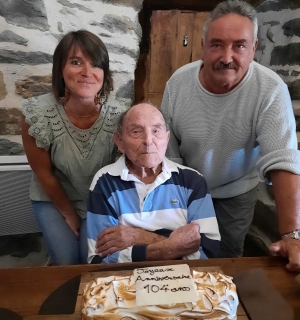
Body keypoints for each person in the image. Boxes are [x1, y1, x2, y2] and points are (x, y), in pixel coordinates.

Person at [160, 0, 300, 270]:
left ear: (254, 49)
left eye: (239, 45)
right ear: (202, 47)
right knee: (179, 255)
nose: (226, 57)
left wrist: (292, 235)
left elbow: (282, 158)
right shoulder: (177, 83)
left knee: (227, 260)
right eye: (216, 44)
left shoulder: (271, 89)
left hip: (236, 192)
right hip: (185, 187)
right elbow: (168, 148)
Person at [22, 30, 124, 265]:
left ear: (104, 73)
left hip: (97, 199)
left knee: (92, 260)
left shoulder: (120, 116)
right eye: (76, 62)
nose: (87, 73)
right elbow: (44, 174)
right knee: (67, 261)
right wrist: (69, 214)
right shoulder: (37, 114)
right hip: (52, 197)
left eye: (96, 65)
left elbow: (121, 174)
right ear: (61, 69)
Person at [86, 103, 220, 264]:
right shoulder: (105, 182)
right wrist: (177, 246)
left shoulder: (192, 181)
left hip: (184, 280)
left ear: (167, 138)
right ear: (120, 141)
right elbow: (99, 260)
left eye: (156, 131)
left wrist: (138, 237)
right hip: (124, 283)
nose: (148, 141)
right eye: (136, 132)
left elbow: (208, 254)